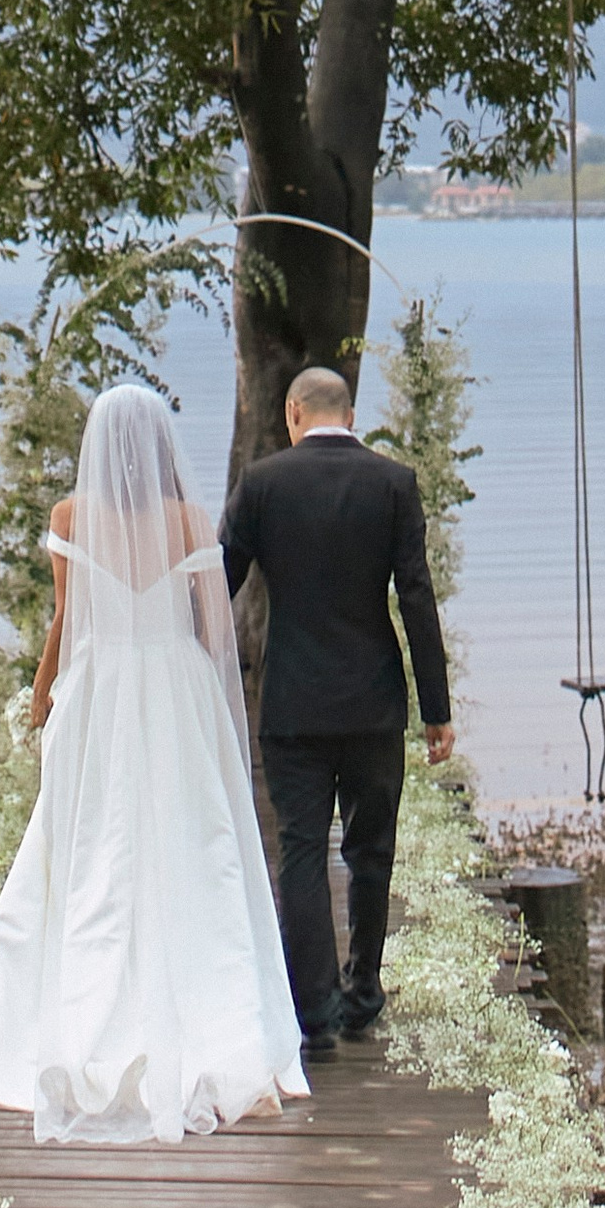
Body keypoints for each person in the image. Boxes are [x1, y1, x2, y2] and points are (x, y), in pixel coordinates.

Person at [0, 381, 307, 1143]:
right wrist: (211, 709)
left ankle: (74, 1022)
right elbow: (213, 628)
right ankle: (224, 1029)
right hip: (174, 688)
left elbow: (65, 621)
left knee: (91, 847)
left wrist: (42, 696)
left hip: (101, 692)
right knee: (188, 845)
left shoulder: (70, 518)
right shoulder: (190, 522)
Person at [218, 362, 454, 1056]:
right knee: (369, 849)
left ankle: (313, 1006)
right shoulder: (393, 484)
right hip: (374, 698)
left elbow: (218, 586)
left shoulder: (262, 485)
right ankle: (363, 993)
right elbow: (416, 597)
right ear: (350, 416)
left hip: (292, 699)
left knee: (299, 848)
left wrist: (187, 671)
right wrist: (435, 709)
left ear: (293, 414)